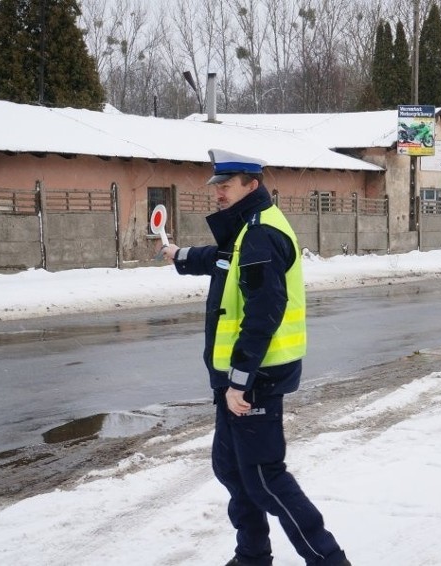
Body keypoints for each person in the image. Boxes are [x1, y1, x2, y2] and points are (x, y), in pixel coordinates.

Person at [161, 149, 350, 566]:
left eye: (225, 187)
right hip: (237, 377)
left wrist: (240, 379)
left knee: (265, 478)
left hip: (255, 377)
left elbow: (264, 312)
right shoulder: (248, 229)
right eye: (217, 187)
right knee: (230, 469)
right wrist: (182, 256)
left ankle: (329, 560)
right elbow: (225, 261)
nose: (218, 195)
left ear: (252, 184)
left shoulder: (262, 232)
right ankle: (252, 555)